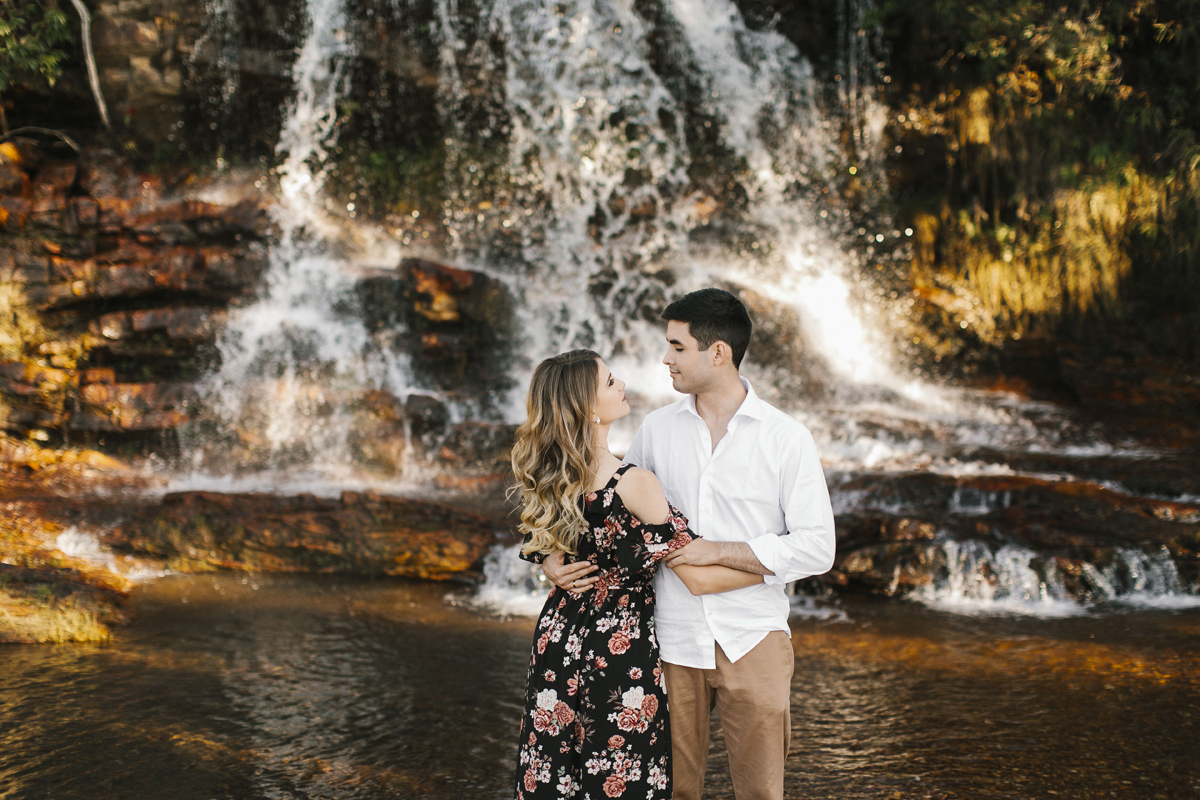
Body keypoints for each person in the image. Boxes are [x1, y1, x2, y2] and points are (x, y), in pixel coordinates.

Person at [542, 289, 836, 800]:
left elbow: (817, 548)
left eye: (678, 347)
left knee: (761, 794)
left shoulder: (786, 438)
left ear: (717, 352)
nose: (665, 358)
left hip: (754, 637)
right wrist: (550, 556)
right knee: (672, 792)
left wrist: (715, 550)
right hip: (668, 642)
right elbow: (599, 507)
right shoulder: (657, 430)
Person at [510, 349, 765, 800]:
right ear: (588, 408)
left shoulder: (553, 476)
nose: (622, 384)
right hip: (617, 650)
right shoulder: (633, 483)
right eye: (610, 382)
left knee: (554, 773)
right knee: (618, 777)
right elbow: (698, 575)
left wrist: (551, 564)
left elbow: (539, 546)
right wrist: (777, 571)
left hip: (558, 642)